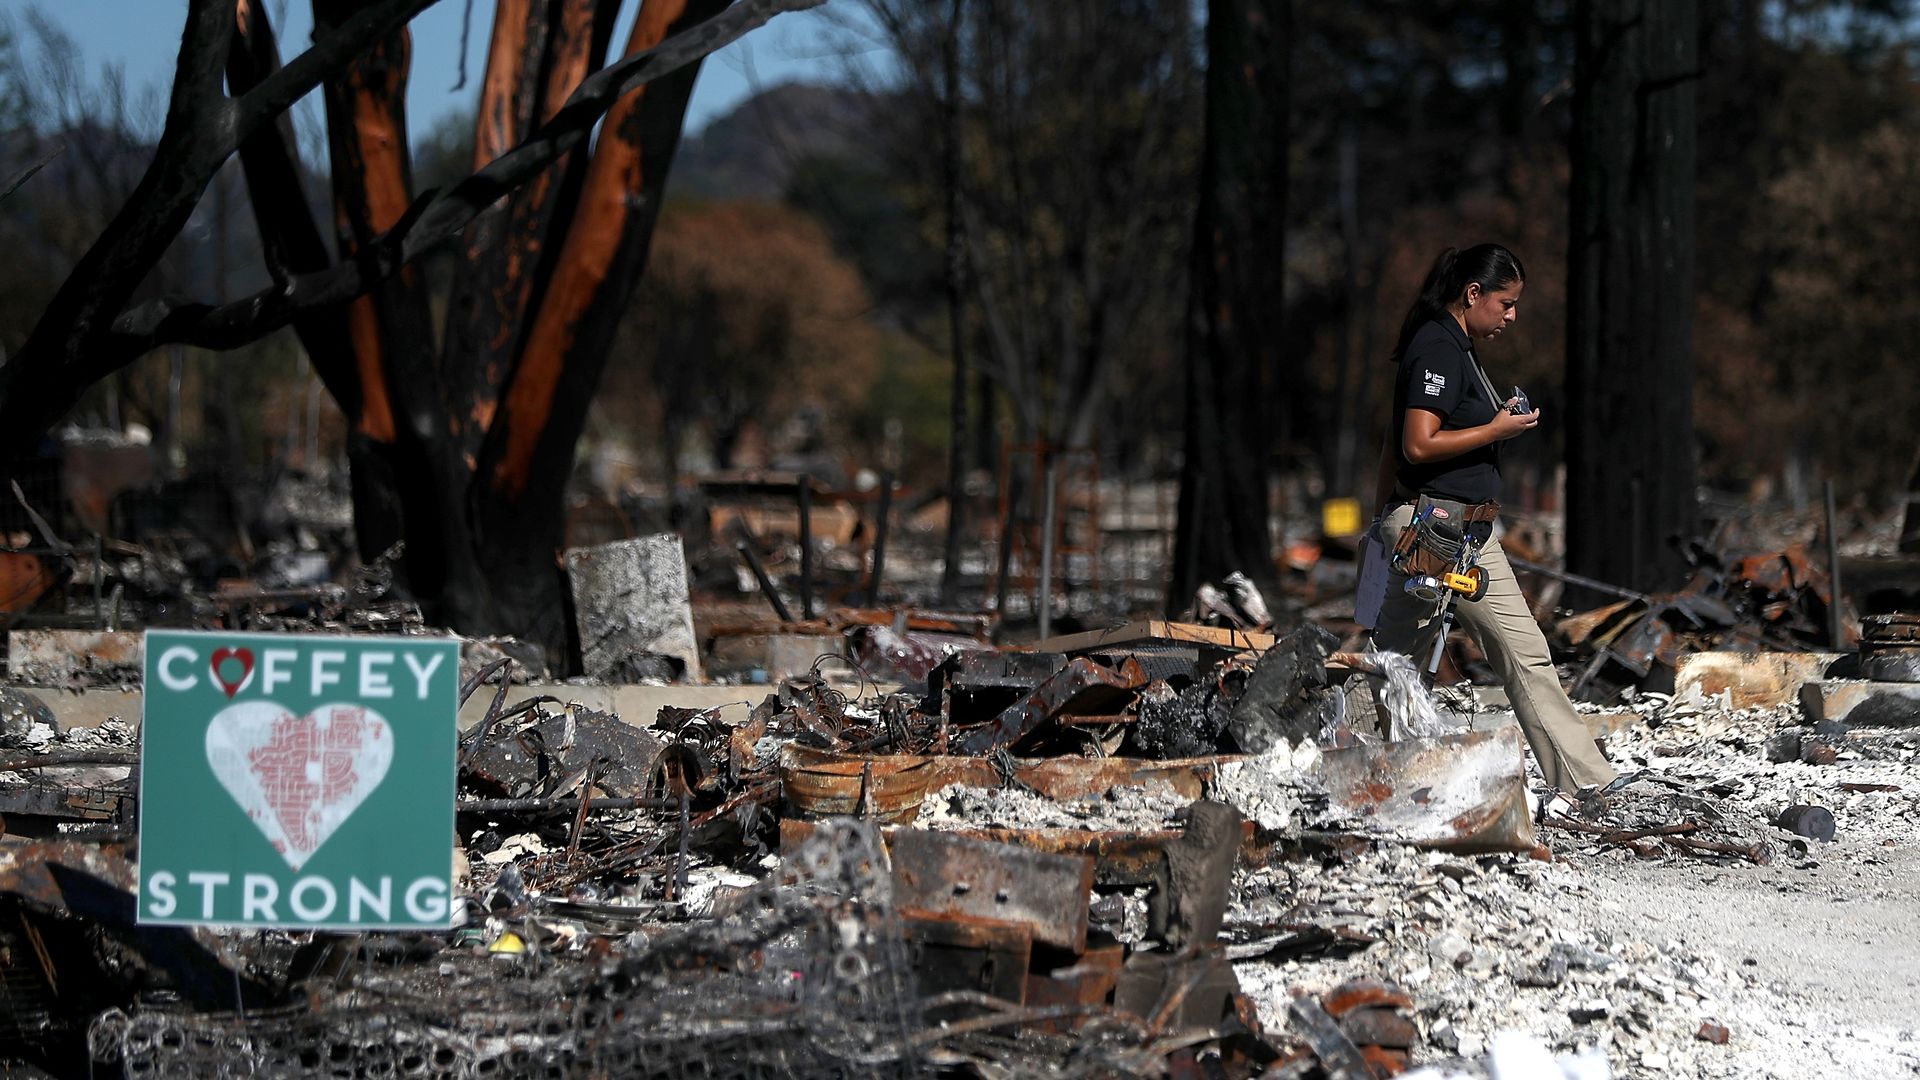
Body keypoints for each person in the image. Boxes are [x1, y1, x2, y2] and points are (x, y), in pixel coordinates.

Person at [1365, 243, 1617, 799]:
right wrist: (1496, 431)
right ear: (1472, 294)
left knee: (1522, 652)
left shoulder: (1461, 348)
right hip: (1432, 532)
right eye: (1505, 303)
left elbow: (1392, 444)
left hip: (1468, 534)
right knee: (1395, 668)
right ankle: (1351, 770)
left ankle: (1588, 784)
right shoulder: (1437, 347)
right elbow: (1415, 443)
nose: (1512, 316)